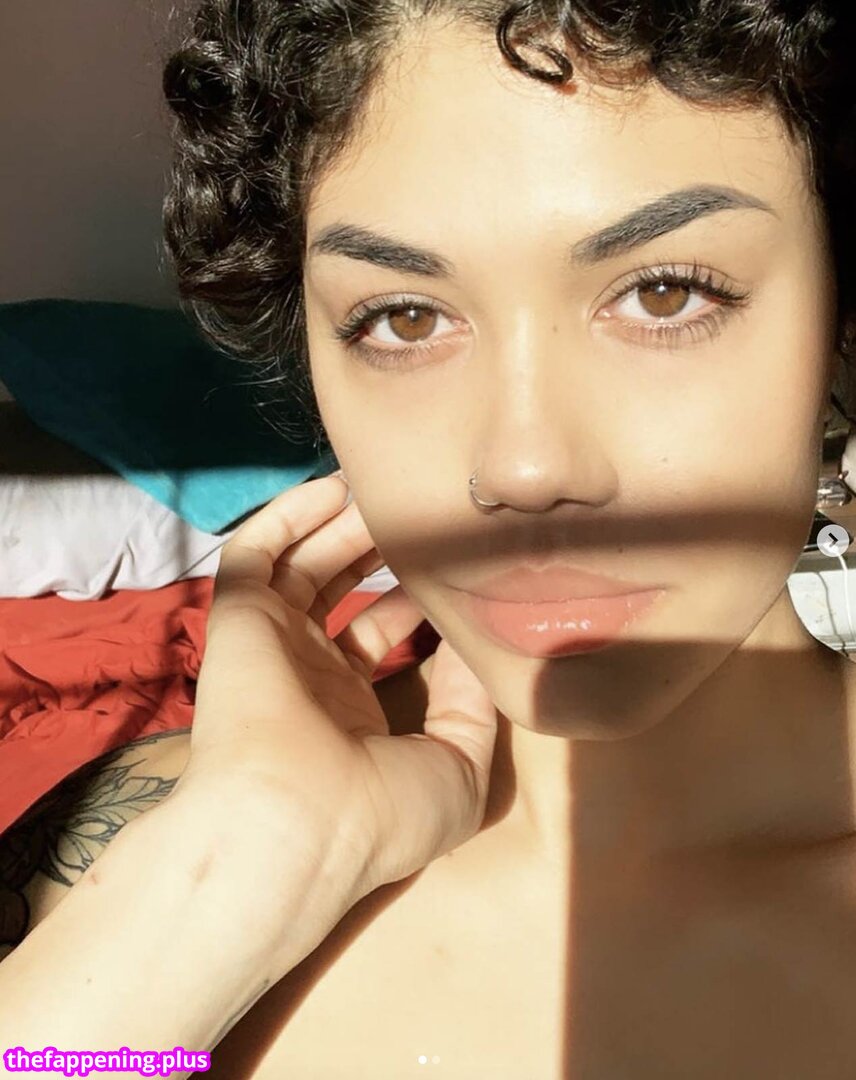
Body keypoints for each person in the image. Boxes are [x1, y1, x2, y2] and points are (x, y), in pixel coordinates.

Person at [4, 1, 856, 1076]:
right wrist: (232, 885)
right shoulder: (155, 852)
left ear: (839, 321)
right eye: (404, 318)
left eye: (663, 292)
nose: (523, 467)